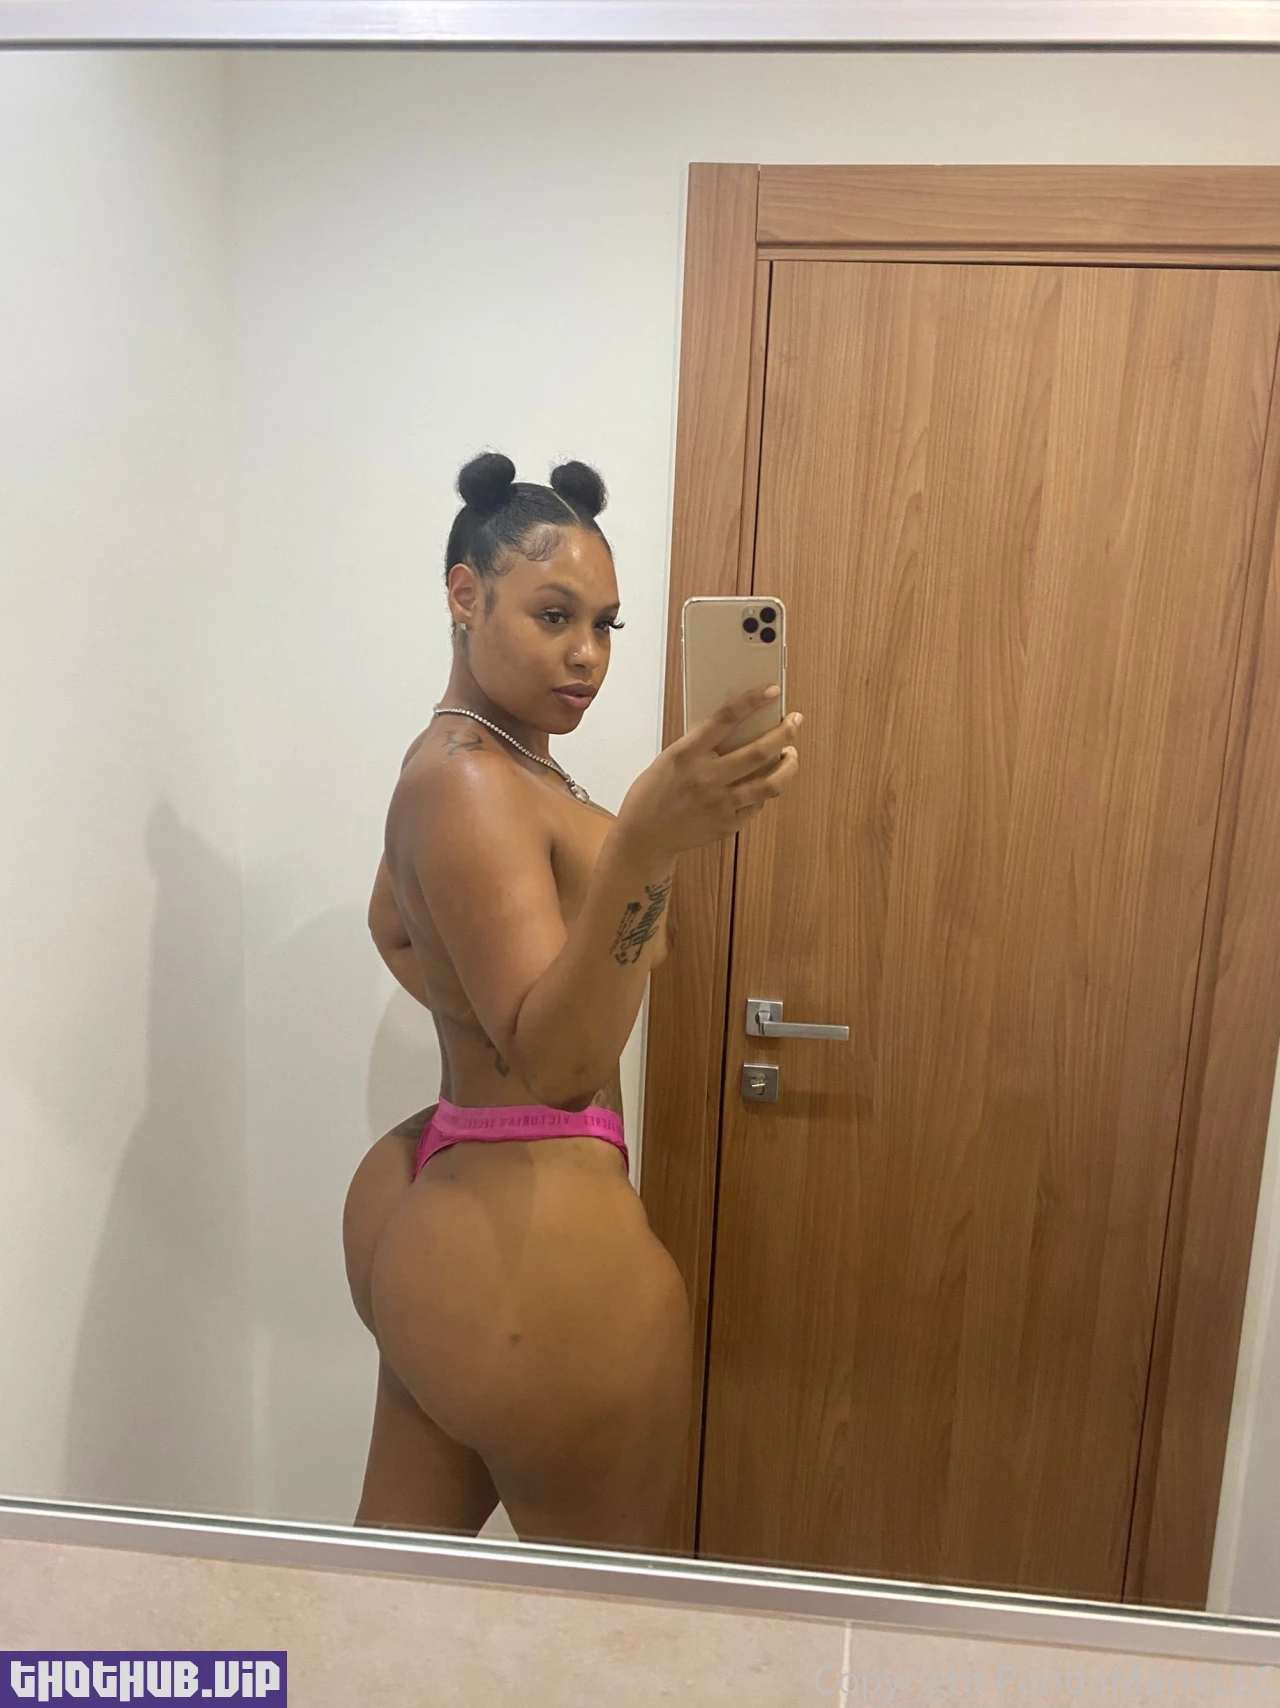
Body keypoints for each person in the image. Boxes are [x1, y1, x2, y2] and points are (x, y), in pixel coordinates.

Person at [341, 451, 803, 1548]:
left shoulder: (481, 764)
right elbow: (555, 1068)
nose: (586, 653)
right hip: (532, 1250)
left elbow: (394, 924)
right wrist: (644, 845)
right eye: (554, 616)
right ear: (465, 596)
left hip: (461, 1214)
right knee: (606, 1622)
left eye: (605, 625)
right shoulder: (470, 779)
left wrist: (478, 1033)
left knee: (391, 1602)